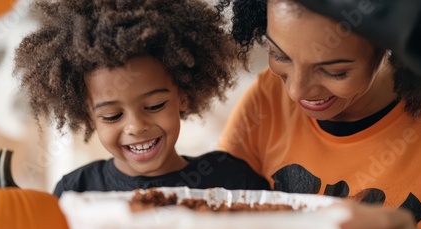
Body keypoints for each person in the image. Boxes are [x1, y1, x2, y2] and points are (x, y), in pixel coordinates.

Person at [217, 0, 421, 229]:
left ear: (387, 48)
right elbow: (219, 212)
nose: (296, 91)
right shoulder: (267, 98)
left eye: (335, 71)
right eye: (279, 55)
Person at [13, 0, 270, 198]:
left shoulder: (233, 180)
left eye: (154, 106)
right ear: (89, 116)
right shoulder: (77, 191)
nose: (136, 126)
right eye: (112, 116)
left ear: (184, 96)